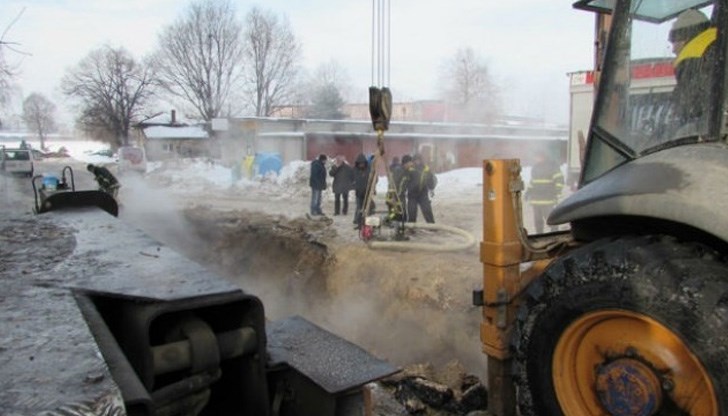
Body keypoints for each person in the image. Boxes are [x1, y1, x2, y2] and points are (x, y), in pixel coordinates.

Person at [668, 9, 717, 125]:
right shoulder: (716, 44)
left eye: (674, 41)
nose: (673, 50)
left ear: (684, 37)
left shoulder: (692, 56)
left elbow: (689, 106)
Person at [526, 152, 564, 234]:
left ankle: (554, 233)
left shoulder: (552, 166)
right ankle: (539, 234)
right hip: (536, 200)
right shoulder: (535, 167)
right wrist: (528, 192)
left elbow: (559, 180)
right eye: (535, 157)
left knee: (550, 218)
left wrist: (556, 191)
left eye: (537, 157)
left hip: (547, 199)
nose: (535, 159)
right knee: (537, 220)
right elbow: (532, 182)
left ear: (543, 157)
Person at [405, 154, 436, 224]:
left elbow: (431, 179)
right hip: (412, 194)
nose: (417, 162)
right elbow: (405, 180)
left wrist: (431, 186)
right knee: (412, 210)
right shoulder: (409, 169)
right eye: (415, 160)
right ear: (413, 161)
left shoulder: (426, 169)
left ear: (421, 160)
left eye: (418, 160)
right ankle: (411, 227)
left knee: (427, 209)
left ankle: (432, 225)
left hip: (423, 193)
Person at [352, 153, 373, 229]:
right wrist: (354, 185)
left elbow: (373, 179)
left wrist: (372, 187)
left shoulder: (369, 169)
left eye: (363, 163)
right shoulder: (355, 169)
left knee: (367, 208)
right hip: (358, 192)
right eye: (360, 164)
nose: (361, 165)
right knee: (359, 208)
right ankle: (358, 221)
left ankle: (366, 221)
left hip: (367, 191)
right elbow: (352, 179)